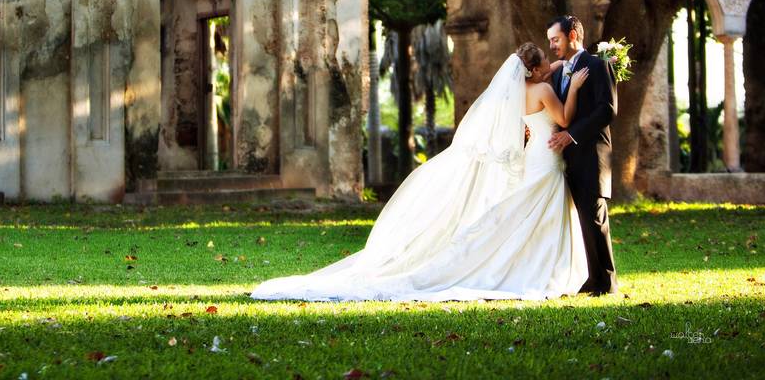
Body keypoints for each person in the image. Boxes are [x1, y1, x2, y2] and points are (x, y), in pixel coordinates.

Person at [250, 43, 591, 302]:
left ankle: (529, 266)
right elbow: (562, 120)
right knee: (533, 215)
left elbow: (537, 99)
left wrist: (563, 65)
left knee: (522, 216)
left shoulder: (520, 93)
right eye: (544, 61)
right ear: (532, 70)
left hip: (536, 157)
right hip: (546, 161)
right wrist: (574, 87)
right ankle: (538, 269)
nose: (550, 62)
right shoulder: (545, 90)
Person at [546, 15, 619, 295]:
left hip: (591, 153)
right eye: (550, 40)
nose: (552, 45)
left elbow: (607, 110)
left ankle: (607, 282)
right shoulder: (558, 70)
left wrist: (571, 134)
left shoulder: (597, 65)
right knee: (583, 221)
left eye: (556, 39)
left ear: (573, 34)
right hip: (568, 158)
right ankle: (594, 277)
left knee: (595, 218)